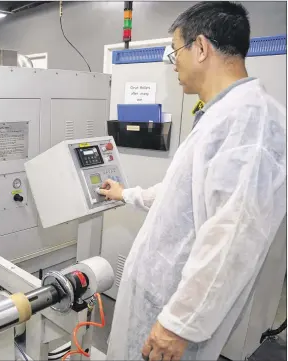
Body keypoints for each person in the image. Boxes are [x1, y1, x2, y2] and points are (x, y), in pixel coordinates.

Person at [101, 2, 286, 360]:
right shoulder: (224, 115)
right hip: (163, 299)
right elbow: (183, 194)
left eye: (175, 51)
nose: (174, 64)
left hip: (176, 315)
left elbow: (232, 237)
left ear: (200, 47)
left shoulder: (251, 124)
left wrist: (178, 324)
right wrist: (127, 194)